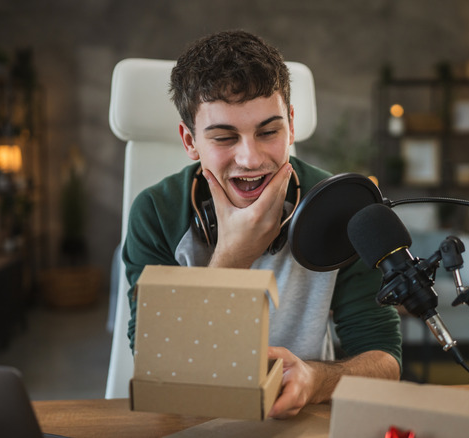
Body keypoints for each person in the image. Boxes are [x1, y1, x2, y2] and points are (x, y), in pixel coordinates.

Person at [122, 29, 401, 419]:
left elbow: (385, 360)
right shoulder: (154, 213)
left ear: (291, 123)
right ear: (189, 141)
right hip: (192, 421)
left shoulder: (342, 207)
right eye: (224, 137)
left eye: (269, 132)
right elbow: (157, 365)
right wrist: (233, 257)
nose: (250, 159)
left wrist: (316, 379)